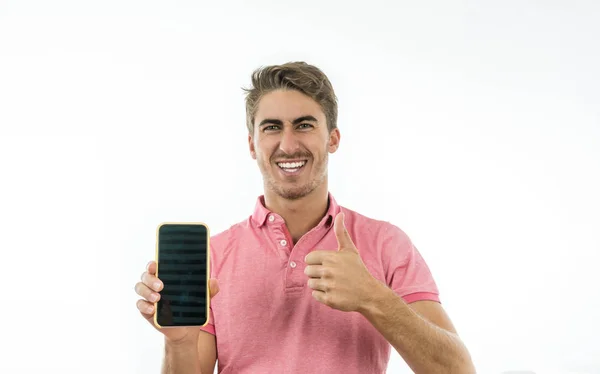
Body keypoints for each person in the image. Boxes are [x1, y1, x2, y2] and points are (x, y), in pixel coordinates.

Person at [134, 61, 475, 373]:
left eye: (304, 125)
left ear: (333, 139)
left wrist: (373, 297)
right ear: (252, 145)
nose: (288, 144)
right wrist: (177, 342)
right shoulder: (213, 256)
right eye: (271, 127)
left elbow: (457, 370)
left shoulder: (386, 243)